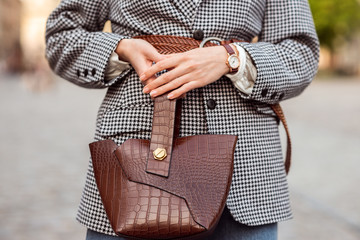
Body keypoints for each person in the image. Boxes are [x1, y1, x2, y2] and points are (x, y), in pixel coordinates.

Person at [45, 0, 319, 239]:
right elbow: (61, 36)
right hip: (133, 160)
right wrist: (121, 48)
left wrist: (231, 58)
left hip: (245, 166)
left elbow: (302, 53)